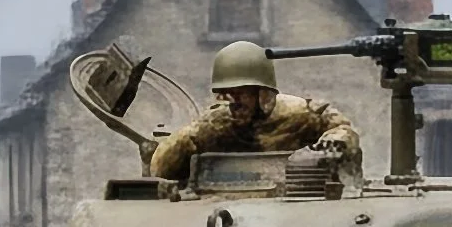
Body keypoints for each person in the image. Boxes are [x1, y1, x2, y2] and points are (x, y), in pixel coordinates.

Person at [148, 41, 363, 182]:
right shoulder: (212, 127)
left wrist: (336, 139)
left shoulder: (301, 115)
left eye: (240, 94)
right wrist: (184, 140)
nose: (233, 103)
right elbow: (161, 171)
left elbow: (342, 129)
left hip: (299, 199)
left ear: (263, 95)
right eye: (225, 94)